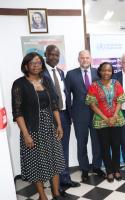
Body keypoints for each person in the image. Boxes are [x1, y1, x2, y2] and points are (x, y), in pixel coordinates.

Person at [11, 52, 65, 200]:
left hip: (50, 127)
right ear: (26, 66)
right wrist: (26, 134)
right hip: (32, 130)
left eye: (39, 63)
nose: (36, 66)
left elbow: (54, 105)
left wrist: (59, 125)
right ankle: (42, 196)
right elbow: (17, 112)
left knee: (55, 160)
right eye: (33, 63)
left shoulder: (46, 80)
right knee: (36, 163)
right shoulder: (19, 84)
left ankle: (56, 193)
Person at [42, 45, 80, 190]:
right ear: (45, 55)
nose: (54, 57)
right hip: (50, 117)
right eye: (51, 54)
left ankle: (65, 179)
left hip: (64, 115)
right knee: (53, 152)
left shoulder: (60, 72)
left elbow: (64, 94)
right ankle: (56, 187)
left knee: (63, 149)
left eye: (57, 55)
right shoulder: (41, 73)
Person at [65, 50, 105, 182]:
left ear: (91, 59)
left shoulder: (98, 73)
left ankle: (97, 167)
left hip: (97, 114)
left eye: (87, 57)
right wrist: (71, 114)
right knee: (82, 143)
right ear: (78, 59)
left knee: (97, 142)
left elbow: (103, 93)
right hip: (79, 115)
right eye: (82, 58)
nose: (85, 60)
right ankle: (84, 169)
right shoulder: (71, 74)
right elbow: (67, 96)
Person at [86, 62, 125, 182]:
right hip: (101, 120)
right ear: (100, 71)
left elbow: (120, 101)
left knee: (116, 146)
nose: (106, 73)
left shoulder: (116, 83)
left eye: (109, 70)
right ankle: (109, 171)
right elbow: (92, 105)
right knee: (104, 147)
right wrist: (105, 118)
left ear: (112, 72)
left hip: (117, 120)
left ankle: (116, 170)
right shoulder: (94, 85)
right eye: (104, 70)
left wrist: (114, 116)